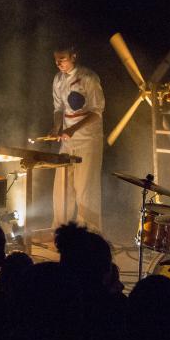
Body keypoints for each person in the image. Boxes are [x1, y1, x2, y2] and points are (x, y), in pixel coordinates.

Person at [49, 45, 105, 232]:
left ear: (73, 56)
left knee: (85, 189)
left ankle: (88, 233)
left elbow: (97, 112)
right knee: (61, 188)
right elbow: (58, 109)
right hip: (67, 142)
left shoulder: (88, 78)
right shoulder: (58, 79)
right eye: (56, 59)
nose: (59, 63)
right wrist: (56, 127)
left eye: (63, 58)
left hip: (88, 140)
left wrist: (73, 129)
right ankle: (60, 230)